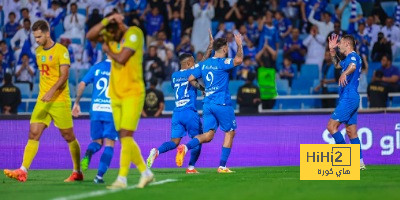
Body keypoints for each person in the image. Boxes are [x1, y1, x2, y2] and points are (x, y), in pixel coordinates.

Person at [4, 20, 83, 182]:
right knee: (33, 133)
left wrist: (52, 91)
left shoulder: (62, 50)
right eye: (35, 37)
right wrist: (44, 94)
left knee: (68, 136)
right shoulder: (38, 51)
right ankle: (23, 170)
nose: (37, 40)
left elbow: (64, 76)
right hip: (43, 100)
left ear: (47, 33)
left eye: (39, 36)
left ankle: (77, 171)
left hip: (59, 100)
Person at [86, 12, 153, 189]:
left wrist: (108, 51)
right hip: (115, 96)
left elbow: (123, 59)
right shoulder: (111, 33)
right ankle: (145, 173)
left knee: (125, 136)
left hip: (133, 93)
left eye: (113, 32)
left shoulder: (134, 33)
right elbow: (90, 35)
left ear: (120, 26)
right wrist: (107, 21)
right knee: (125, 139)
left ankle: (122, 179)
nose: (110, 37)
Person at [146, 31, 213, 173]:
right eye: (193, 61)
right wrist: (210, 46)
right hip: (189, 112)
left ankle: (156, 152)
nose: (195, 63)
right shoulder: (191, 72)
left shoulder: (174, 75)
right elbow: (204, 61)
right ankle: (191, 167)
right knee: (198, 139)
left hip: (177, 113)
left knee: (174, 142)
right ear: (189, 63)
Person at [176, 34, 243, 173]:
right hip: (222, 103)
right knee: (230, 132)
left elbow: (190, 78)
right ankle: (222, 166)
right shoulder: (222, 63)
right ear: (224, 49)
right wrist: (239, 44)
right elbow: (239, 60)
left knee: (208, 135)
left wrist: (203, 89)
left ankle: (186, 147)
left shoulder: (204, 64)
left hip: (207, 104)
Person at [72, 58, 117, 184]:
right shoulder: (121, 68)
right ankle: (99, 176)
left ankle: (88, 153)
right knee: (109, 144)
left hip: (96, 109)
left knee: (97, 142)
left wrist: (76, 103)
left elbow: (81, 84)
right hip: (111, 111)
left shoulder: (97, 67)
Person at [326, 34, 365, 170]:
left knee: (331, 127)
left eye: (340, 43)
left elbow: (353, 66)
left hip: (349, 97)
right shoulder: (347, 59)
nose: (339, 45)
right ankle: (359, 163)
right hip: (350, 97)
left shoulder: (353, 56)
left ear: (348, 44)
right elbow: (337, 64)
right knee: (351, 131)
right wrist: (332, 51)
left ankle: (346, 159)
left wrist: (344, 73)